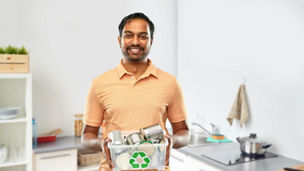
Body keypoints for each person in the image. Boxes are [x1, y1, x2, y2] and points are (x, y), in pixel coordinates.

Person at [81, 12, 189, 171]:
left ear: (151, 41)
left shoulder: (170, 83)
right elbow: (86, 136)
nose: (136, 42)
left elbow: (184, 132)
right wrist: (101, 144)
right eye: (129, 35)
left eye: (143, 36)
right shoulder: (100, 84)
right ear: (120, 40)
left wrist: (171, 141)